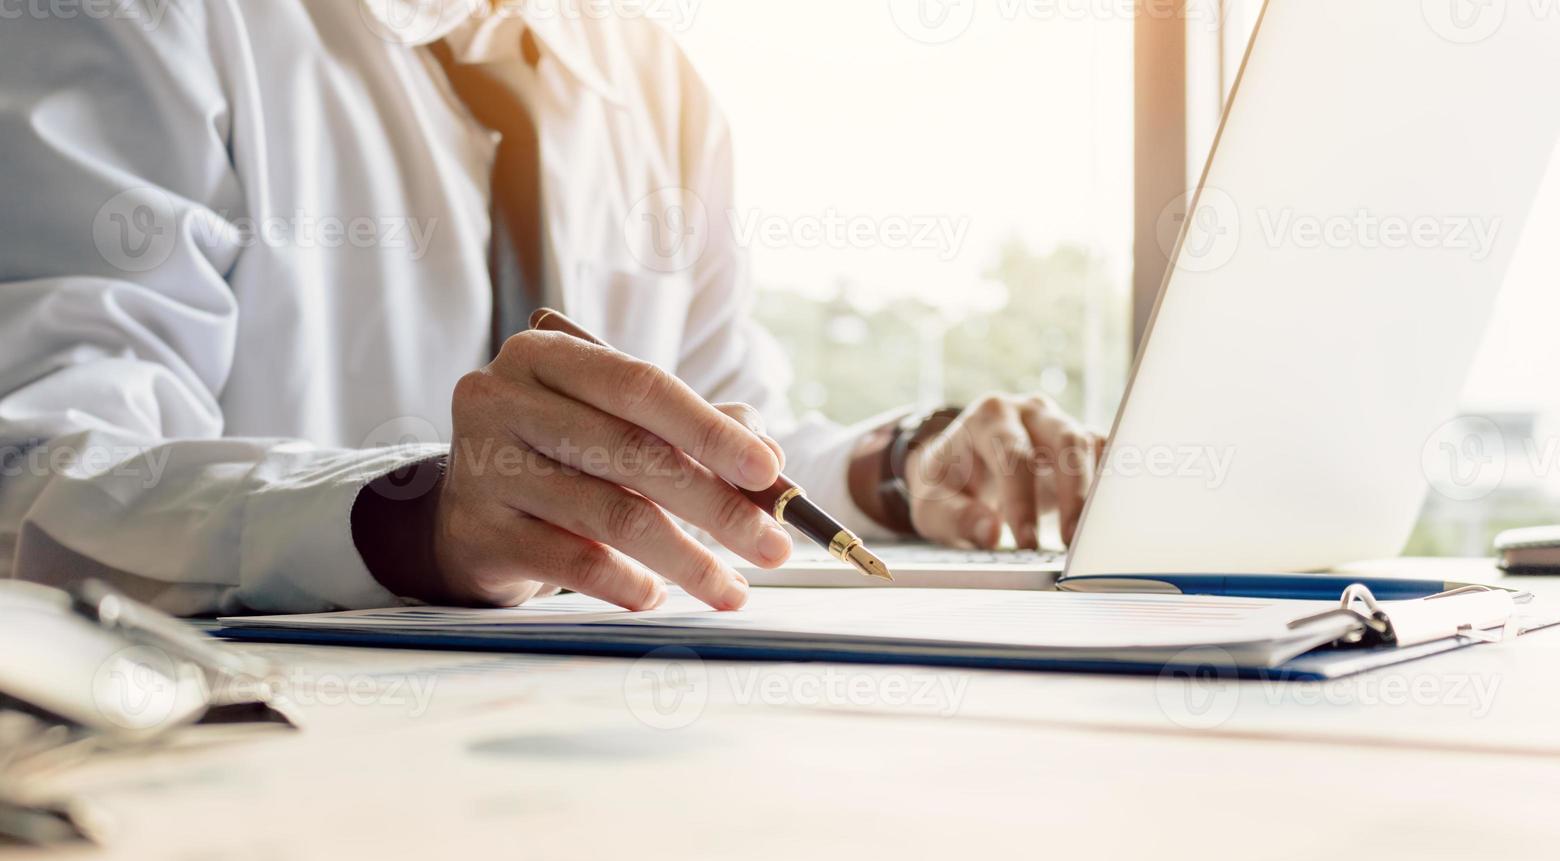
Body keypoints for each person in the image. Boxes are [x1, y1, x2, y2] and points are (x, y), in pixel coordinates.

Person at [0, 0, 1099, 615]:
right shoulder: (142, 18)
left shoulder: (654, 80)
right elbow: (39, 472)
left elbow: (707, 430)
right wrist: (407, 519)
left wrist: (897, 467)